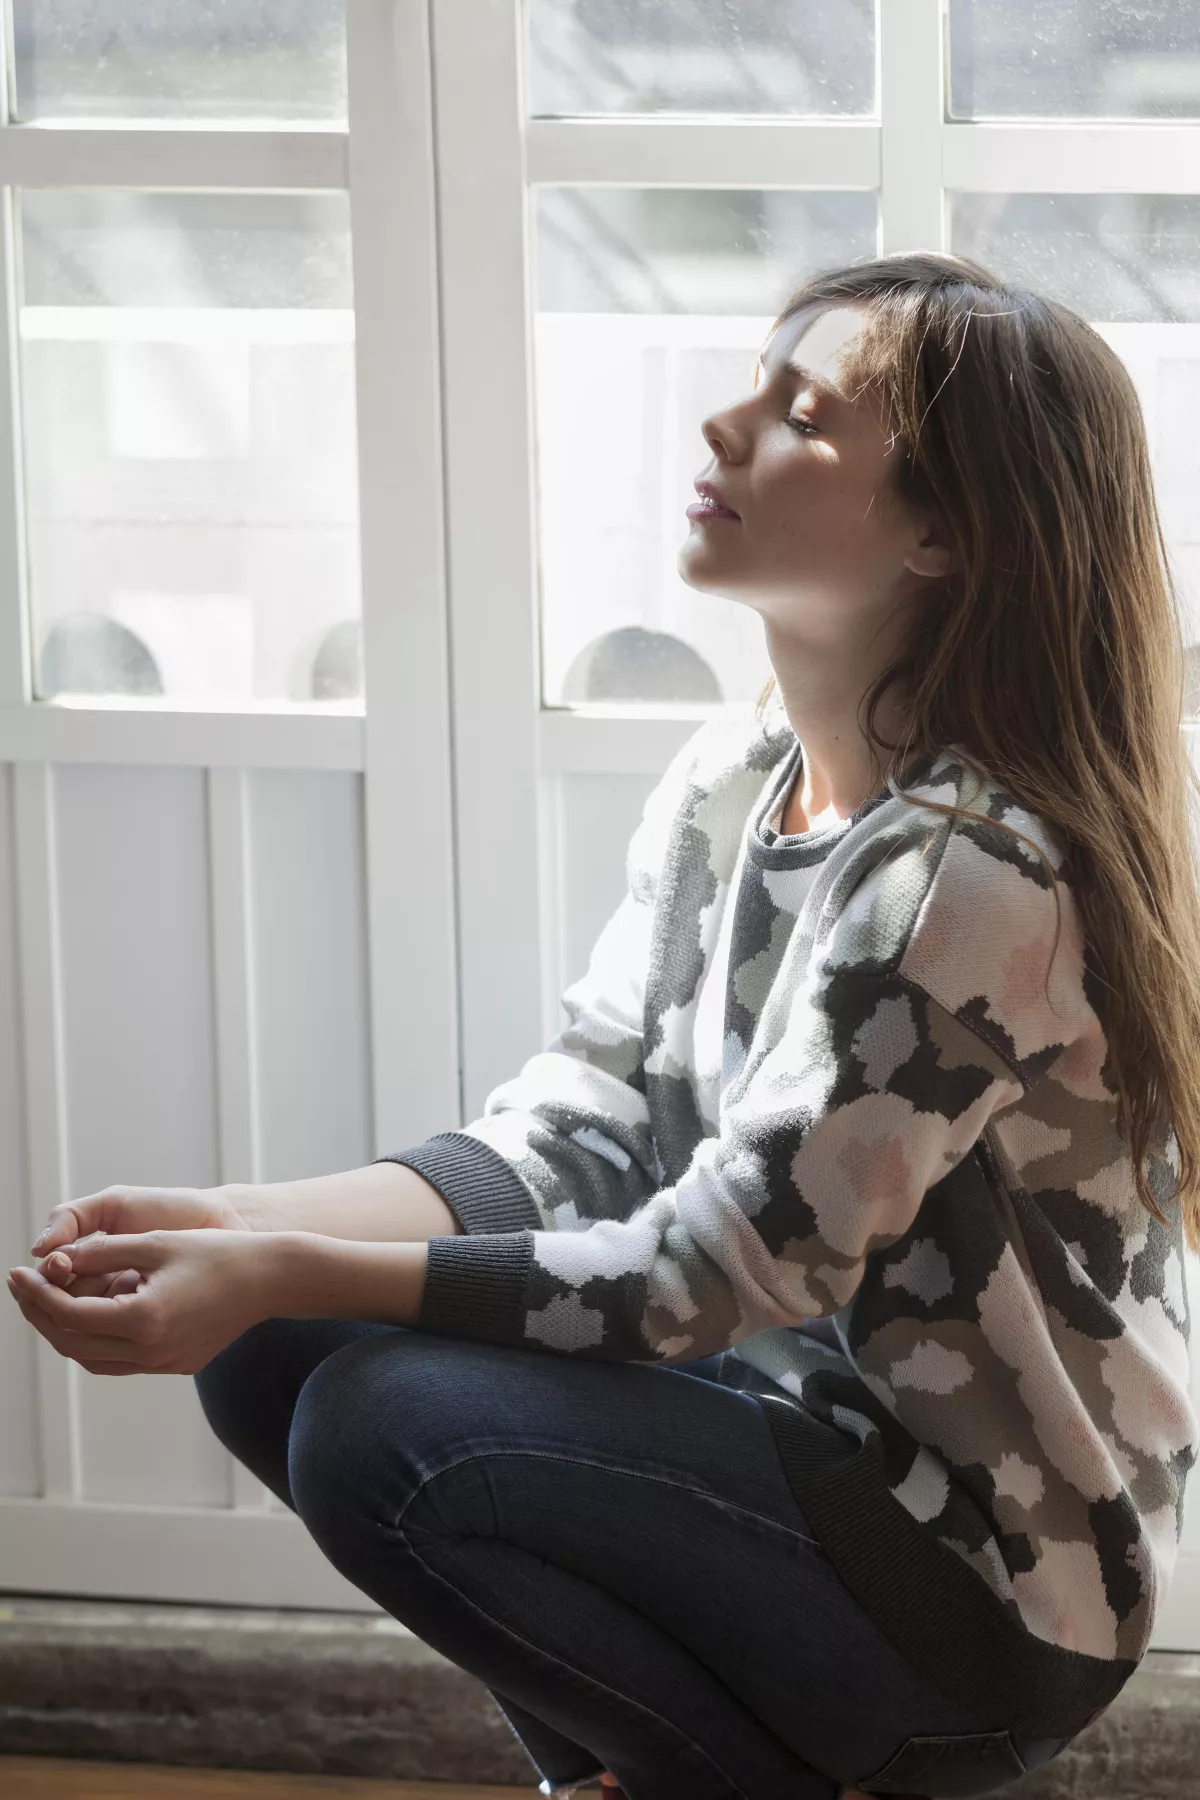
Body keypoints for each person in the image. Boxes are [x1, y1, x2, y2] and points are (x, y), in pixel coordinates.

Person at [9, 252, 1200, 1800]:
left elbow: (713, 1271)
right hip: (794, 1443)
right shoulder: (735, 774)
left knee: (387, 1425)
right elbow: (577, 1131)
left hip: (978, 1582)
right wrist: (233, 1232)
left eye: (799, 415)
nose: (720, 428)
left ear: (945, 534)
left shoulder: (969, 878)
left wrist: (279, 1258)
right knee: (274, 1350)